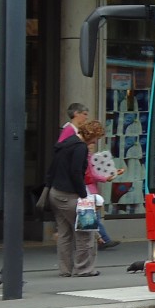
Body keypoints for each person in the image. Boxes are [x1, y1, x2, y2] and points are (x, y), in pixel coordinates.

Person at [47, 116, 100, 278]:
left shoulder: (67, 142)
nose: (96, 142)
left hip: (55, 193)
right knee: (85, 233)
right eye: (96, 138)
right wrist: (84, 195)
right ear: (91, 135)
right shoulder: (80, 148)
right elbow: (76, 172)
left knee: (64, 233)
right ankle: (84, 269)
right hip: (70, 195)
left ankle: (65, 269)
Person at [81, 119, 122, 250]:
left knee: (91, 218)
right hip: (86, 190)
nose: (94, 143)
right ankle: (102, 240)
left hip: (86, 189)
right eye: (95, 140)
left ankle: (101, 239)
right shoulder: (83, 152)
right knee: (92, 218)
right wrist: (106, 178)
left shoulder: (85, 153)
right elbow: (89, 174)